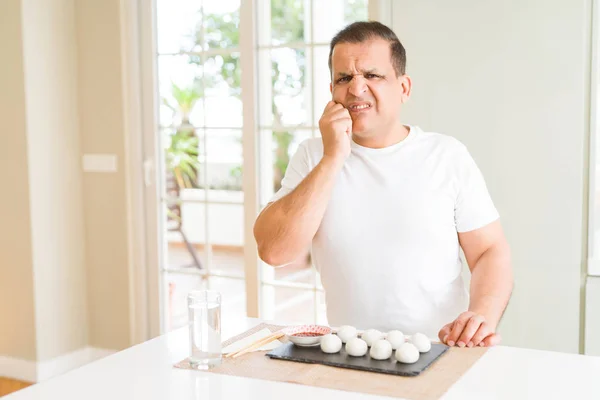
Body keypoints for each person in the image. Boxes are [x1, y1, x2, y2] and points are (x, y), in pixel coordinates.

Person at [253, 21, 513, 348]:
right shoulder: (313, 155)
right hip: (350, 355)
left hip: (440, 350)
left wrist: (481, 315)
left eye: (372, 75)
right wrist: (333, 157)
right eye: (343, 78)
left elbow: (490, 250)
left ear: (403, 88)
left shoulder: (446, 155)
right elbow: (275, 251)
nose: (356, 88)